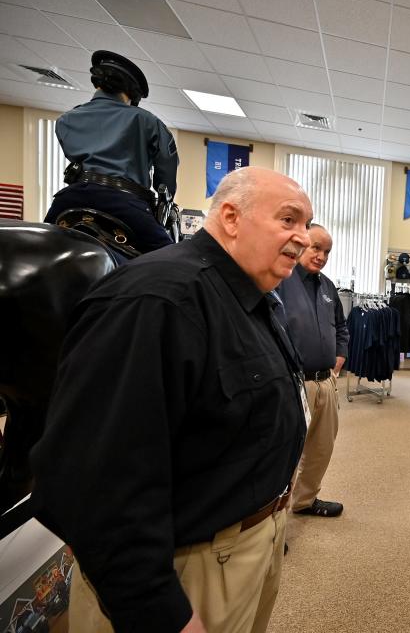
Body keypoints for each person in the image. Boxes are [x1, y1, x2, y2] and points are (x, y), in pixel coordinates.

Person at [30, 167, 312, 633]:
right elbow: (93, 485)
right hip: (187, 571)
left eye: (306, 225)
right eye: (289, 220)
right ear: (230, 217)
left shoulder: (251, 298)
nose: (301, 238)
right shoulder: (155, 299)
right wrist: (160, 611)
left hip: (250, 544)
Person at [43, 50, 179, 252]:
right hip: (125, 205)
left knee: (41, 247)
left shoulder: (66, 119)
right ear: (132, 93)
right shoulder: (147, 121)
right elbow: (166, 172)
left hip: (69, 200)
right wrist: (164, 201)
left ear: (97, 82)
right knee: (170, 261)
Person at [276, 225, 348, 517]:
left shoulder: (328, 287)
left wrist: (338, 360)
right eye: (316, 248)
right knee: (285, 452)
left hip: (325, 383)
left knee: (321, 448)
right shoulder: (281, 279)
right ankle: (274, 519)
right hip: (294, 383)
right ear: (303, 244)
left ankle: (305, 501)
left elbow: (341, 327)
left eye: (327, 251)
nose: (321, 256)